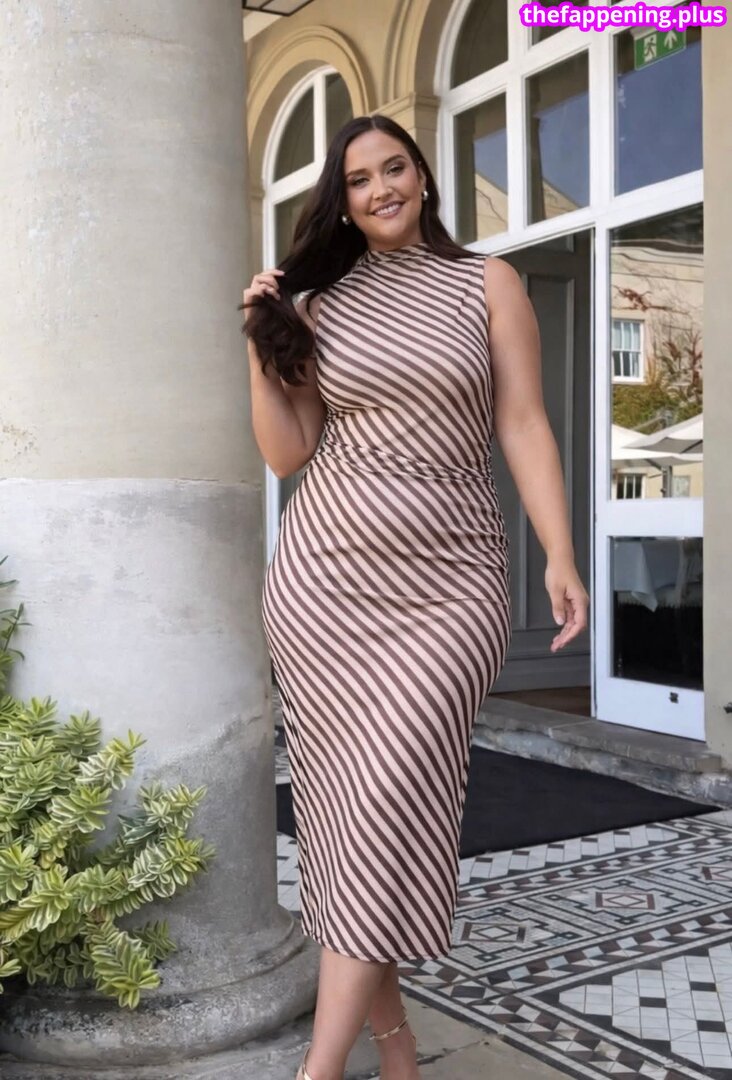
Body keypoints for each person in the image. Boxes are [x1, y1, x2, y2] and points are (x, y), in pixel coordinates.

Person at [242, 114, 589, 1080]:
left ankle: (317, 1072)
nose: (380, 188)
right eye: (358, 180)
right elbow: (287, 452)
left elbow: (524, 421)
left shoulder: (488, 282)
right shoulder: (321, 304)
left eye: (393, 168)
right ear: (343, 201)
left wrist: (559, 552)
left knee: (390, 798)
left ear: (424, 177)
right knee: (353, 821)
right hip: (326, 584)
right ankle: (396, 1053)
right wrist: (257, 349)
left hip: (452, 583)